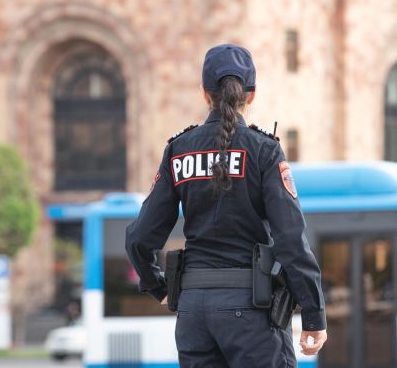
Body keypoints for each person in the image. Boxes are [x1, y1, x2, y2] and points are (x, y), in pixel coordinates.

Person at [126, 43, 327, 367]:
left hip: (194, 314)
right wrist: (314, 313)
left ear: (205, 94)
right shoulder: (264, 150)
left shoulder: (178, 150)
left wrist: (157, 286)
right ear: (253, 94)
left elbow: (139, 238)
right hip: (252, 311)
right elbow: (290, 239)